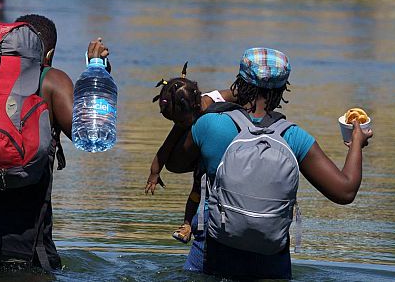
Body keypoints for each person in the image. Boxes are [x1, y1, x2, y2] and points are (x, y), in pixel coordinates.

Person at [159, 48, 373, 279]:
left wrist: (194, 109)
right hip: (271, 257)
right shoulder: (294, 137)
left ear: (239, 83)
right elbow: (345, 191)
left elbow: (173, 164)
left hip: (215, 249)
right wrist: (355, 144)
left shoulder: (210, 125)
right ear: (282, 90)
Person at [0, 14, 111, 271]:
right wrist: (97, 70)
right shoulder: (52, 80)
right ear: (48, 53)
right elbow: (91, 136)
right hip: (26, 240)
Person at [145, 64, 234, 244]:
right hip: (203, 157)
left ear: (194, 107)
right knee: (197, 188)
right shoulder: (185, 116)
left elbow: (240, 96)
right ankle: (187, 225)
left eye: (180, 120)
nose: (178, 124)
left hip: (226, 152)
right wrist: (154, 173)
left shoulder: (218, 99)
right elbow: (165, 147)